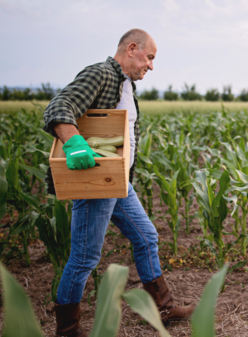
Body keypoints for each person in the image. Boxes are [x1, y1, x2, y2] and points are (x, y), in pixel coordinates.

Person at [42, 29, 195, 337]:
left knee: (146, 236)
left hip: (119, 182)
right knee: (84, 258)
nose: (151, 66)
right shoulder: (102, 74)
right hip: (97, 183)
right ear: (132, 48)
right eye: (149, 57)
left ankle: (162, 309)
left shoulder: (125, 84)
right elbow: (59, 107)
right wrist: (74, 143)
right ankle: (68, 330)